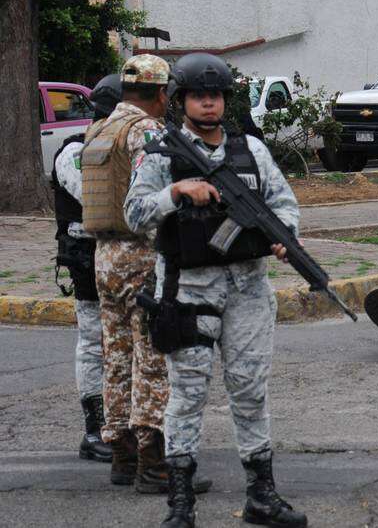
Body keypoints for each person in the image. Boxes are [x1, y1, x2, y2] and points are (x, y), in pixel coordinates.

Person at [125, 52, 306, 528]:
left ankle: (261, 496)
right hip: (189, 291)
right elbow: (134, 214)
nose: (208, 104)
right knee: (188, 394)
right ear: (181, 100)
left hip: (248, 289)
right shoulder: (160, 152)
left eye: (216, 96)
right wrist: (177, 192)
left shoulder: (252, 151)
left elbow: (284, 205)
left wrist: (285, 239)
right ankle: (181, 504)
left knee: (250, 391)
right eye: (199, 96)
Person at [80, 55, 195, 493]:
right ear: (161, 93)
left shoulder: (101, 127)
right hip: (141, 257)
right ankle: (155, 465)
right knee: (152, 359)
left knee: (115, 356)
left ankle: (122, 455)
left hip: (104, 256)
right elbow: (153, 198)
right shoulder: (145, 130)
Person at [50, 74, 120, 463]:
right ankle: (94, 428)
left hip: (130, 256)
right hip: (89, 255)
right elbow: (96, 196)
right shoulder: (75, 151)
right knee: (94, 340)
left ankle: (128, 424)